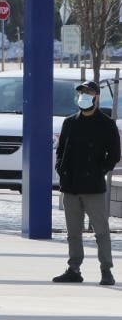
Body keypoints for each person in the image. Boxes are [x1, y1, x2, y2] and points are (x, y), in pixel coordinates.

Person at [53, 80, 120, 285]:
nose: (83, 96)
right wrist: (61, 169)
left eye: (88, 92)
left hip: (93, 187)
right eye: (81, 92)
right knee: (73, 232)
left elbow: (114, 154)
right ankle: (74, 268)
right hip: (71, 185)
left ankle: (106, 270)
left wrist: (100, 170)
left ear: (96, 96)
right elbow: (61, 150)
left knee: (101, 231)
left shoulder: (106, 124)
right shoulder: (70, 122)